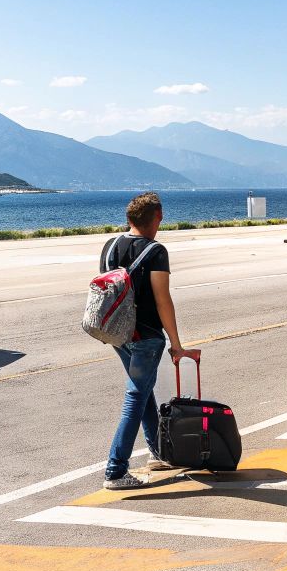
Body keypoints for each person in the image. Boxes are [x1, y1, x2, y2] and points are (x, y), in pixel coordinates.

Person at [100, 191, 200, 490]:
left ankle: (160, 452)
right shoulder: (156, 251)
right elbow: (162, 300)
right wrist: (177, 344)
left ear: (129, 218)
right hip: (146, 337)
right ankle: (116, 471)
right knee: (136, 396)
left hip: (118, 334)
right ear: (157, 218)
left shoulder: (110, 246)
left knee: (143, 393)